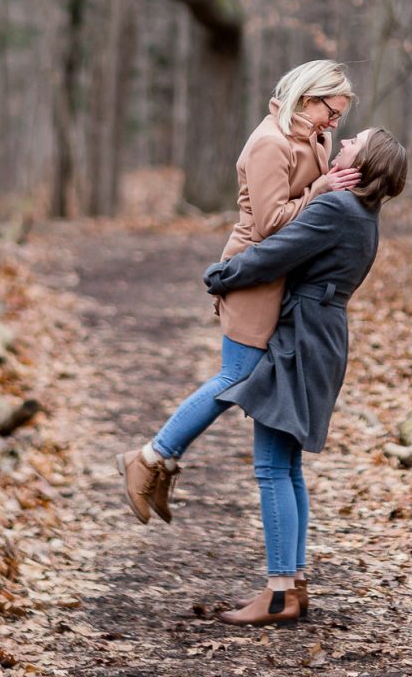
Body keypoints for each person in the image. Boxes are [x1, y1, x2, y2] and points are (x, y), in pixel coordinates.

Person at [117, 61, 360, 526]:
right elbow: (270, 225)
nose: (335, 123)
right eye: (332, 111)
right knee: (235, 377)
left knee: (242, 380)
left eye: (340, 117)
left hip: (284, 278)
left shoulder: (317, 138)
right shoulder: (270, 143)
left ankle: (159, 462)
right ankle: (149, 457)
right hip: (253, 275)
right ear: (308, 98)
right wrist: (323, 189)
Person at [202, 128, 408, 626]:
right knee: (287, 466)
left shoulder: (338, 209)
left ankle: (278, 594)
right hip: (322, 335)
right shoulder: (364, 214)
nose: (342, 144)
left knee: (272, 466)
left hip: (303, 338)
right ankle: (292, 584)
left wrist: (222, 274)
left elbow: (277, 251)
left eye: (352, 142)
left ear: (365, 163)